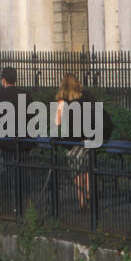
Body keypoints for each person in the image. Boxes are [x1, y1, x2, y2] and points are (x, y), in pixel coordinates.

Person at [54, 73, 96, 210]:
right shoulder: (87, 96)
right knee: (86, 170)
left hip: (71, 141)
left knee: (76, 172)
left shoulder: (63, 100)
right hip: (87, 138)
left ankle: (81, 201)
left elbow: (57, 122)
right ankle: (89, 194)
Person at [0, 66, 31, 155]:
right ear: (15, 80)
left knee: (5, 167)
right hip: (23, 142)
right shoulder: (26, 95)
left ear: (3, 80)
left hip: (4, 142)